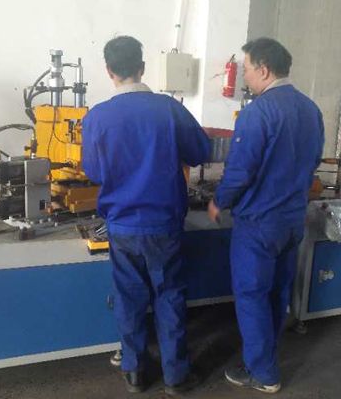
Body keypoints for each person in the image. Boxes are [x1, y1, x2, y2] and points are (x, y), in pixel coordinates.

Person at [81, 35, 210, 395]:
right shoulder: (168, 109)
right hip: (164, 224)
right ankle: (176, 376)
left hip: (121, 226)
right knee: (169, 296)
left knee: (129, 297)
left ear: (109, 71)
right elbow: (200, 152)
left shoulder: (97, 117)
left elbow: (93, 171)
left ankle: (135, 371)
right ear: (142, 67)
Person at [207, 37, 325, 394]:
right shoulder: (311, 109)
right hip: (292, 220)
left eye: (245, 69)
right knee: (277, 293)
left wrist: (218, 202)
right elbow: (313, 162)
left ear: (263, 69)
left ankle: (263, 373)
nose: (244, 77)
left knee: (252, 296)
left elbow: (240, 172)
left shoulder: (258, 112)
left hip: (258, 224)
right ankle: (265, 358)